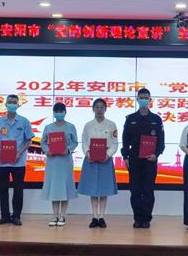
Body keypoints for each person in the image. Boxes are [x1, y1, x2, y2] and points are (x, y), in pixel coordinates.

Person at [121, 88, 165, 229]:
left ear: (150, 100)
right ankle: (137, 218)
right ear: (137, 100)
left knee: (148, 191)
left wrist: (156, 154)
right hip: (134, 160)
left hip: (150, 161)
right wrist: (125, 157)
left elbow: (161, 142)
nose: (144, 100)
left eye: (146, 98)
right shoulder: (130, 119)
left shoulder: (156, 119)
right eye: (141, 98)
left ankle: (146, 218)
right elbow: (125, 140)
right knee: (135, 191)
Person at [0, 94, 34, 226]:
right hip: (1, 162)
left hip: (18, 162)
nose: (12, 104)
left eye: (14, 102)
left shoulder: (24, 121)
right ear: (5, 104)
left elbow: (29, 141)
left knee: (18, 189)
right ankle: (4, 216)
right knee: (3, 189)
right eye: (9, 102)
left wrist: (19, 153)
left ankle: (16, 216)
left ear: (18, 105)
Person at [78, 98, 119, 228]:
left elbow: (114, 143)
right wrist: (87, 153)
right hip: (91, 159)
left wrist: (108, 154)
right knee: (93, 190)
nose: (99, 109)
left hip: (105, 159)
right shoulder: (88, 125)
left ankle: (102, 217)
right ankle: (94, 217)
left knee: (104, 189)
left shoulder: (111, 125)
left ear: (105, 109)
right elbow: (84, 142)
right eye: (97, 107)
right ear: (93, 109)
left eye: (102, 107)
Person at [41, 103, 78, 227]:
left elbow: (75, 142)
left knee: (65, 188)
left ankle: (62, 215)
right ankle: (55, 215)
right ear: (53, 113)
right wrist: (47, 151)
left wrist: (68, 150)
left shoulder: (71, 126)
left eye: (61, 111)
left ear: (65, 112)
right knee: (54, 188)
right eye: (56, 111)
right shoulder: (48, 127)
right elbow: (43, 142)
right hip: (53, 161)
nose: (59, 113)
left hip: (65, 160)